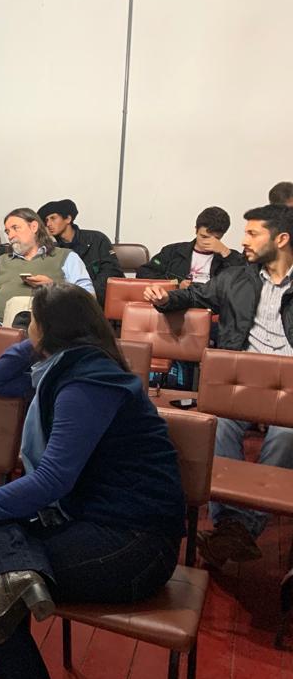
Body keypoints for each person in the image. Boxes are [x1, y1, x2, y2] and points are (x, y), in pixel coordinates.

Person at [0, 283, 185, 679]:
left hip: (135, 543)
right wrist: (38, 340)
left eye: (32, 321)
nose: (27, 328)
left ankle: (12, 573)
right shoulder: (62, 369)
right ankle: (15, 571)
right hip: (86, 516)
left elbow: (52, 481)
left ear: (51, 329)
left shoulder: (88, 382)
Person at [144, 205, 293, 566]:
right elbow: (196, 295)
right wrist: (166, 299)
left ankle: (238, 528)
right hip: (241, 378)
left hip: (289, 384)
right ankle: (233, 527)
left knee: (286, 435)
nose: (244, 241)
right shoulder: (237, 278)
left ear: (281, 239)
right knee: (219, 424)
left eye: (253, 233)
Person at [0, 208, 94, 323]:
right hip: (0, 326)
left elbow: (89, 298)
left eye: (15, 228)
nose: (10, 236)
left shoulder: (67, 257)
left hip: (48, 327)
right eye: (8, 231)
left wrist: (54, 287)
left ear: (34, 227)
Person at [37, 199, 122, 304]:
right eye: (46, 221)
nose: (49, 224)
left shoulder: (96, 239)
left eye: (53, 218)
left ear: (68, 219)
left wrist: (86, 295)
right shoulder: (52, 248)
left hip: (98, 301)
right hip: (64, 301)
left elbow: (111, 271)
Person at [137, 206, 244, 286]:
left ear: (222, 236)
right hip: (178, 302)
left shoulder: (229, 257)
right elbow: (144, 272)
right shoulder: (173, 251)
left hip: (213, 305)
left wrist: (226, 252)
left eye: (215, 239)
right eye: (203, 236)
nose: (207, 242)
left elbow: (245, 281)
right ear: (196, 230)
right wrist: (176, 284)